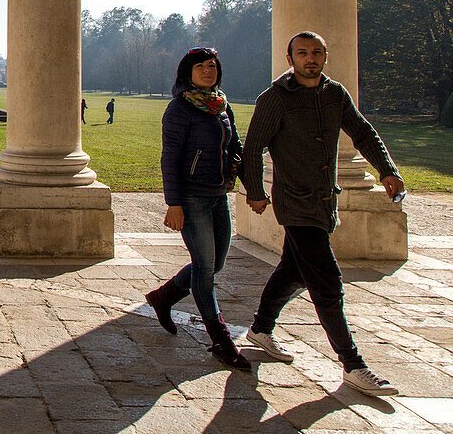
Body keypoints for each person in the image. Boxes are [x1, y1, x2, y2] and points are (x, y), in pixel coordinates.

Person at [241, 31, 404, 397]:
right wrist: (255, 191)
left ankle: (261, 328)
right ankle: (354, 365)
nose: (309, 58)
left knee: (294, 270)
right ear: (290, 58)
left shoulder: (335, 94)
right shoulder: (275, 98)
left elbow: (362, 132)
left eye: (316, 52)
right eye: (302, 53)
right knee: (327, 280)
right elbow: (253, 148)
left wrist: (387, 169)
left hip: (324, 201)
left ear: (326, 56)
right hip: (294, 202)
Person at [145, 47, 249, 369]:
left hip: (219, 195)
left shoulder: (221, 104)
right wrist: (173, 204)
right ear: (187, 72)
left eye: (213, 65)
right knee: (204, 269)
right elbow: (170, 158)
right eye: (201, 66)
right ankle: (220, 338)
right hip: (191, 197)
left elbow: (235, 147)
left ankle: (165, 296)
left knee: (215, 263)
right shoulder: (180, 109)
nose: (208, 70)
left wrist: (254, 188)